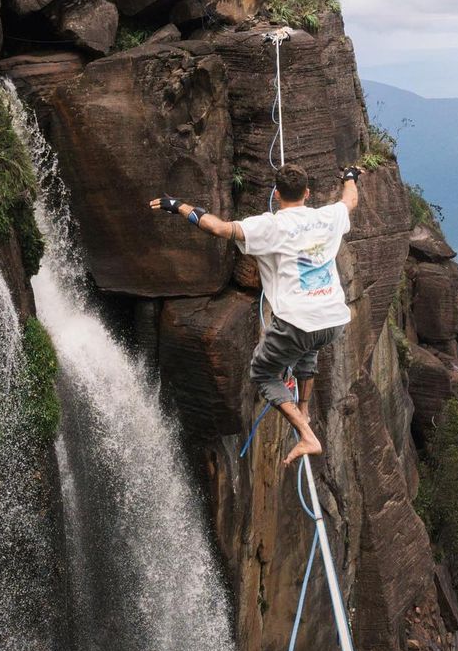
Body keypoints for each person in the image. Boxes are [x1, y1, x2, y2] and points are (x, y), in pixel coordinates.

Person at [151, 162, 361, 465]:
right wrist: (351, 176)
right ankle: (303, 408)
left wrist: (179, 206)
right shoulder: (328, 215)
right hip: (334, 320)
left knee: (263, 373)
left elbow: (218, 228)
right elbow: (350, 199)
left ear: (276, 194)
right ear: (307, 193)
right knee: (308, 349)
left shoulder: (269, 226)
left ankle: (306, 434)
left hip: (297, 322)